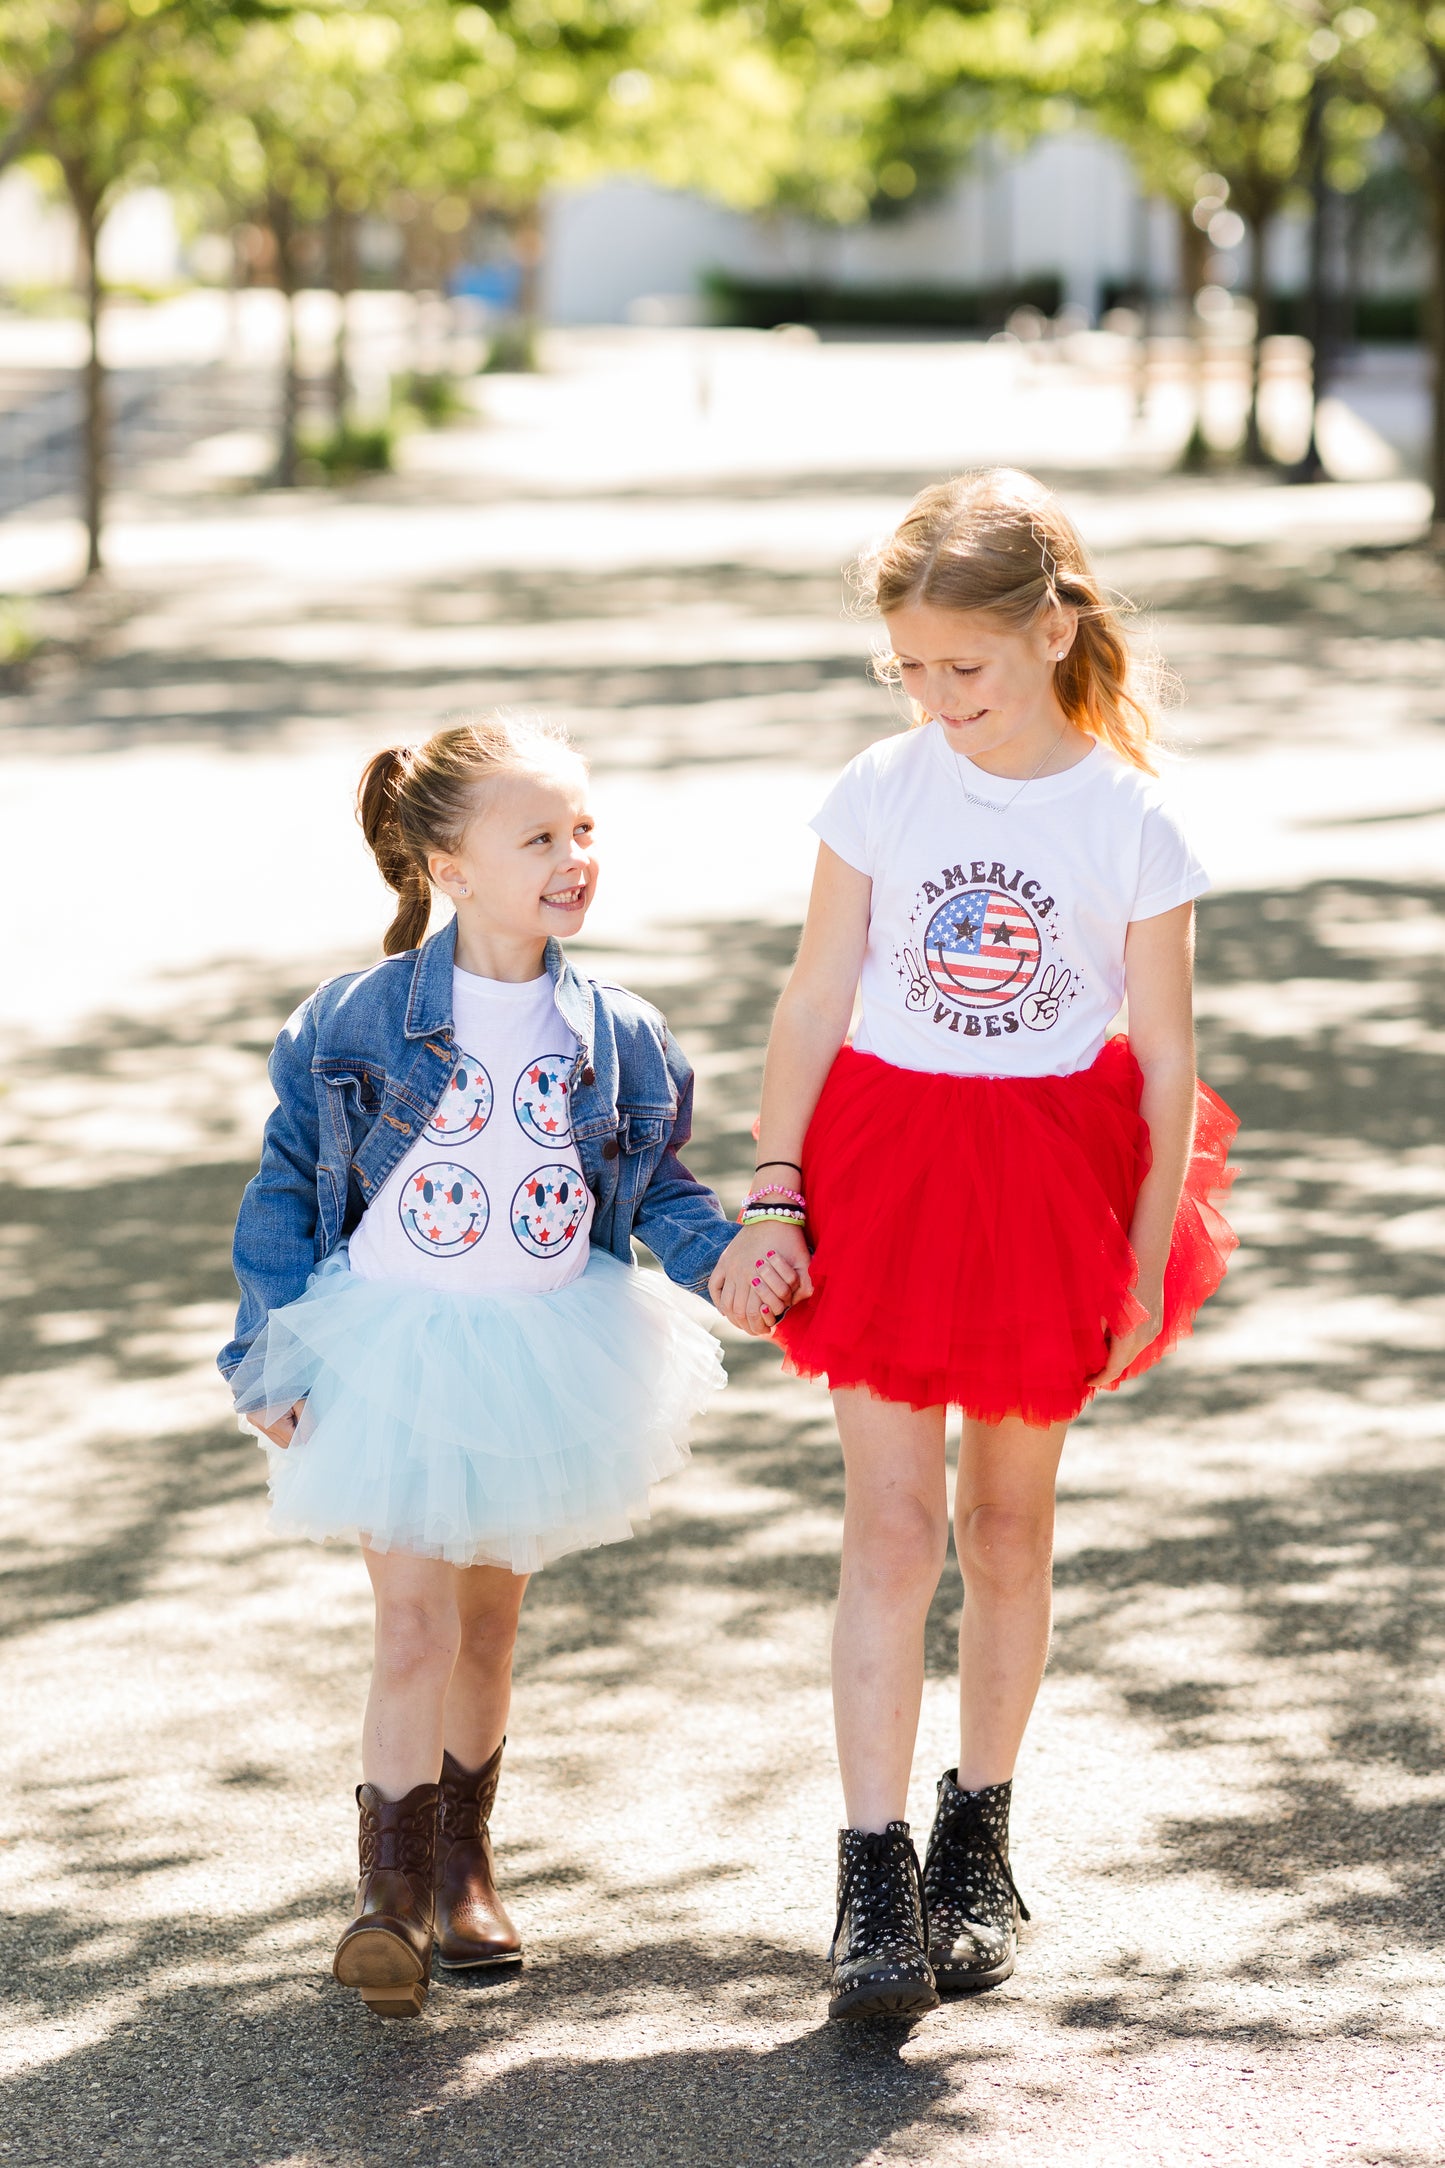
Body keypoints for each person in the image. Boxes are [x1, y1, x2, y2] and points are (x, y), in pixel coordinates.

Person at [710, 468, 1237, 2022]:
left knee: (1006, 1533)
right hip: (886, 1161)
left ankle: (973, 1840)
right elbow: (813, 996)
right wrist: (775, 1186)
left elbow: (1159, 1062)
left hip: (1050, 1183)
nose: (939, 702)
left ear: (1052, 629)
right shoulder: (880, 786)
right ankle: (868, 1874)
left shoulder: (1129, 820)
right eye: (911, 672)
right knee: (890, 1529)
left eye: (967, 670)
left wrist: (1140, 1260)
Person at [219, 714, 736, 2018]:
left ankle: (463, 1868)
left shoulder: (614, 1030)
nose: (573, 857)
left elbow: (653, 1180)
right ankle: (386, 1899)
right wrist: (266, 1354)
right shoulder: (357, 1021)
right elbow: (283, 1191)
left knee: (490, 1623)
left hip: (545, 1348)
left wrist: (723, 1257)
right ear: (447, 864)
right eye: (539, 837)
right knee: (412, 1625)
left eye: (583, 830)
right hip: (394, 1349)